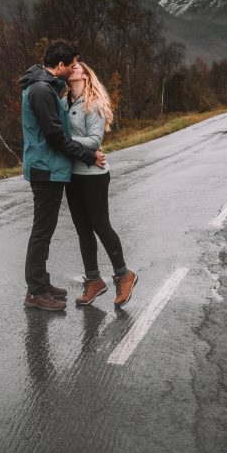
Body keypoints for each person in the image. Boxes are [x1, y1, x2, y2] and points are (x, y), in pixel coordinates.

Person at [19, 40, 106, 311]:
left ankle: (42, 284)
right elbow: (56, 136)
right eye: (70, 65)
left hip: (50, 168)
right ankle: (35, 292)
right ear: (59, 65)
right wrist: (89, 156)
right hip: (45, 169)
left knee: (45, 229)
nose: (72, 70)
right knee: (42, 231)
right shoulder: (41, 90)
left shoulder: (45, 87)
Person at [64, 61, 138, 307]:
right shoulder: (64, 102)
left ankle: (124, 275)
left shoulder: (92, 103)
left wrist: (62, 140)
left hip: (93, 175)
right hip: (72, 175)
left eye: (77, 66)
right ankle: (94, 280)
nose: (72, 68)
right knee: (82, 229)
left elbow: (95, 141)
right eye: (70, 66)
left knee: (100, 225)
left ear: (86, 75)